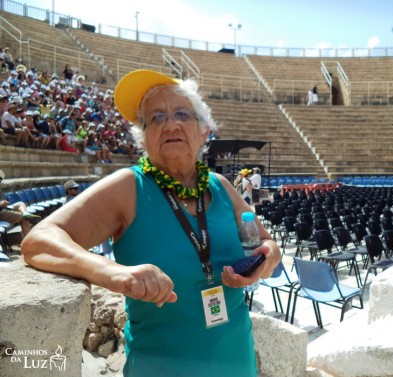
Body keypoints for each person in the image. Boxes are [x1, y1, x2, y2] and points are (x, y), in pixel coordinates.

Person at [22, 69, 280, 377]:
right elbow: (38, 241)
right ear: (143, 137)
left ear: (204, 131)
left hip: (237, 359)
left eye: (182, 113)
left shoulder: (221, 186)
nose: (170, 124)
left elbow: (267, 244)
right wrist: (114, 273)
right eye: (155, 118)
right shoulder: (128, 187)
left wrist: (265, 260)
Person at [0, 170, 40, 237]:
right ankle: (28, 240)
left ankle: (25, 213)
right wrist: (1, 204)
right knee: (24, 219)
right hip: (1, 212)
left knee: (20, 203)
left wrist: (4, 203)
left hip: (4, 209)